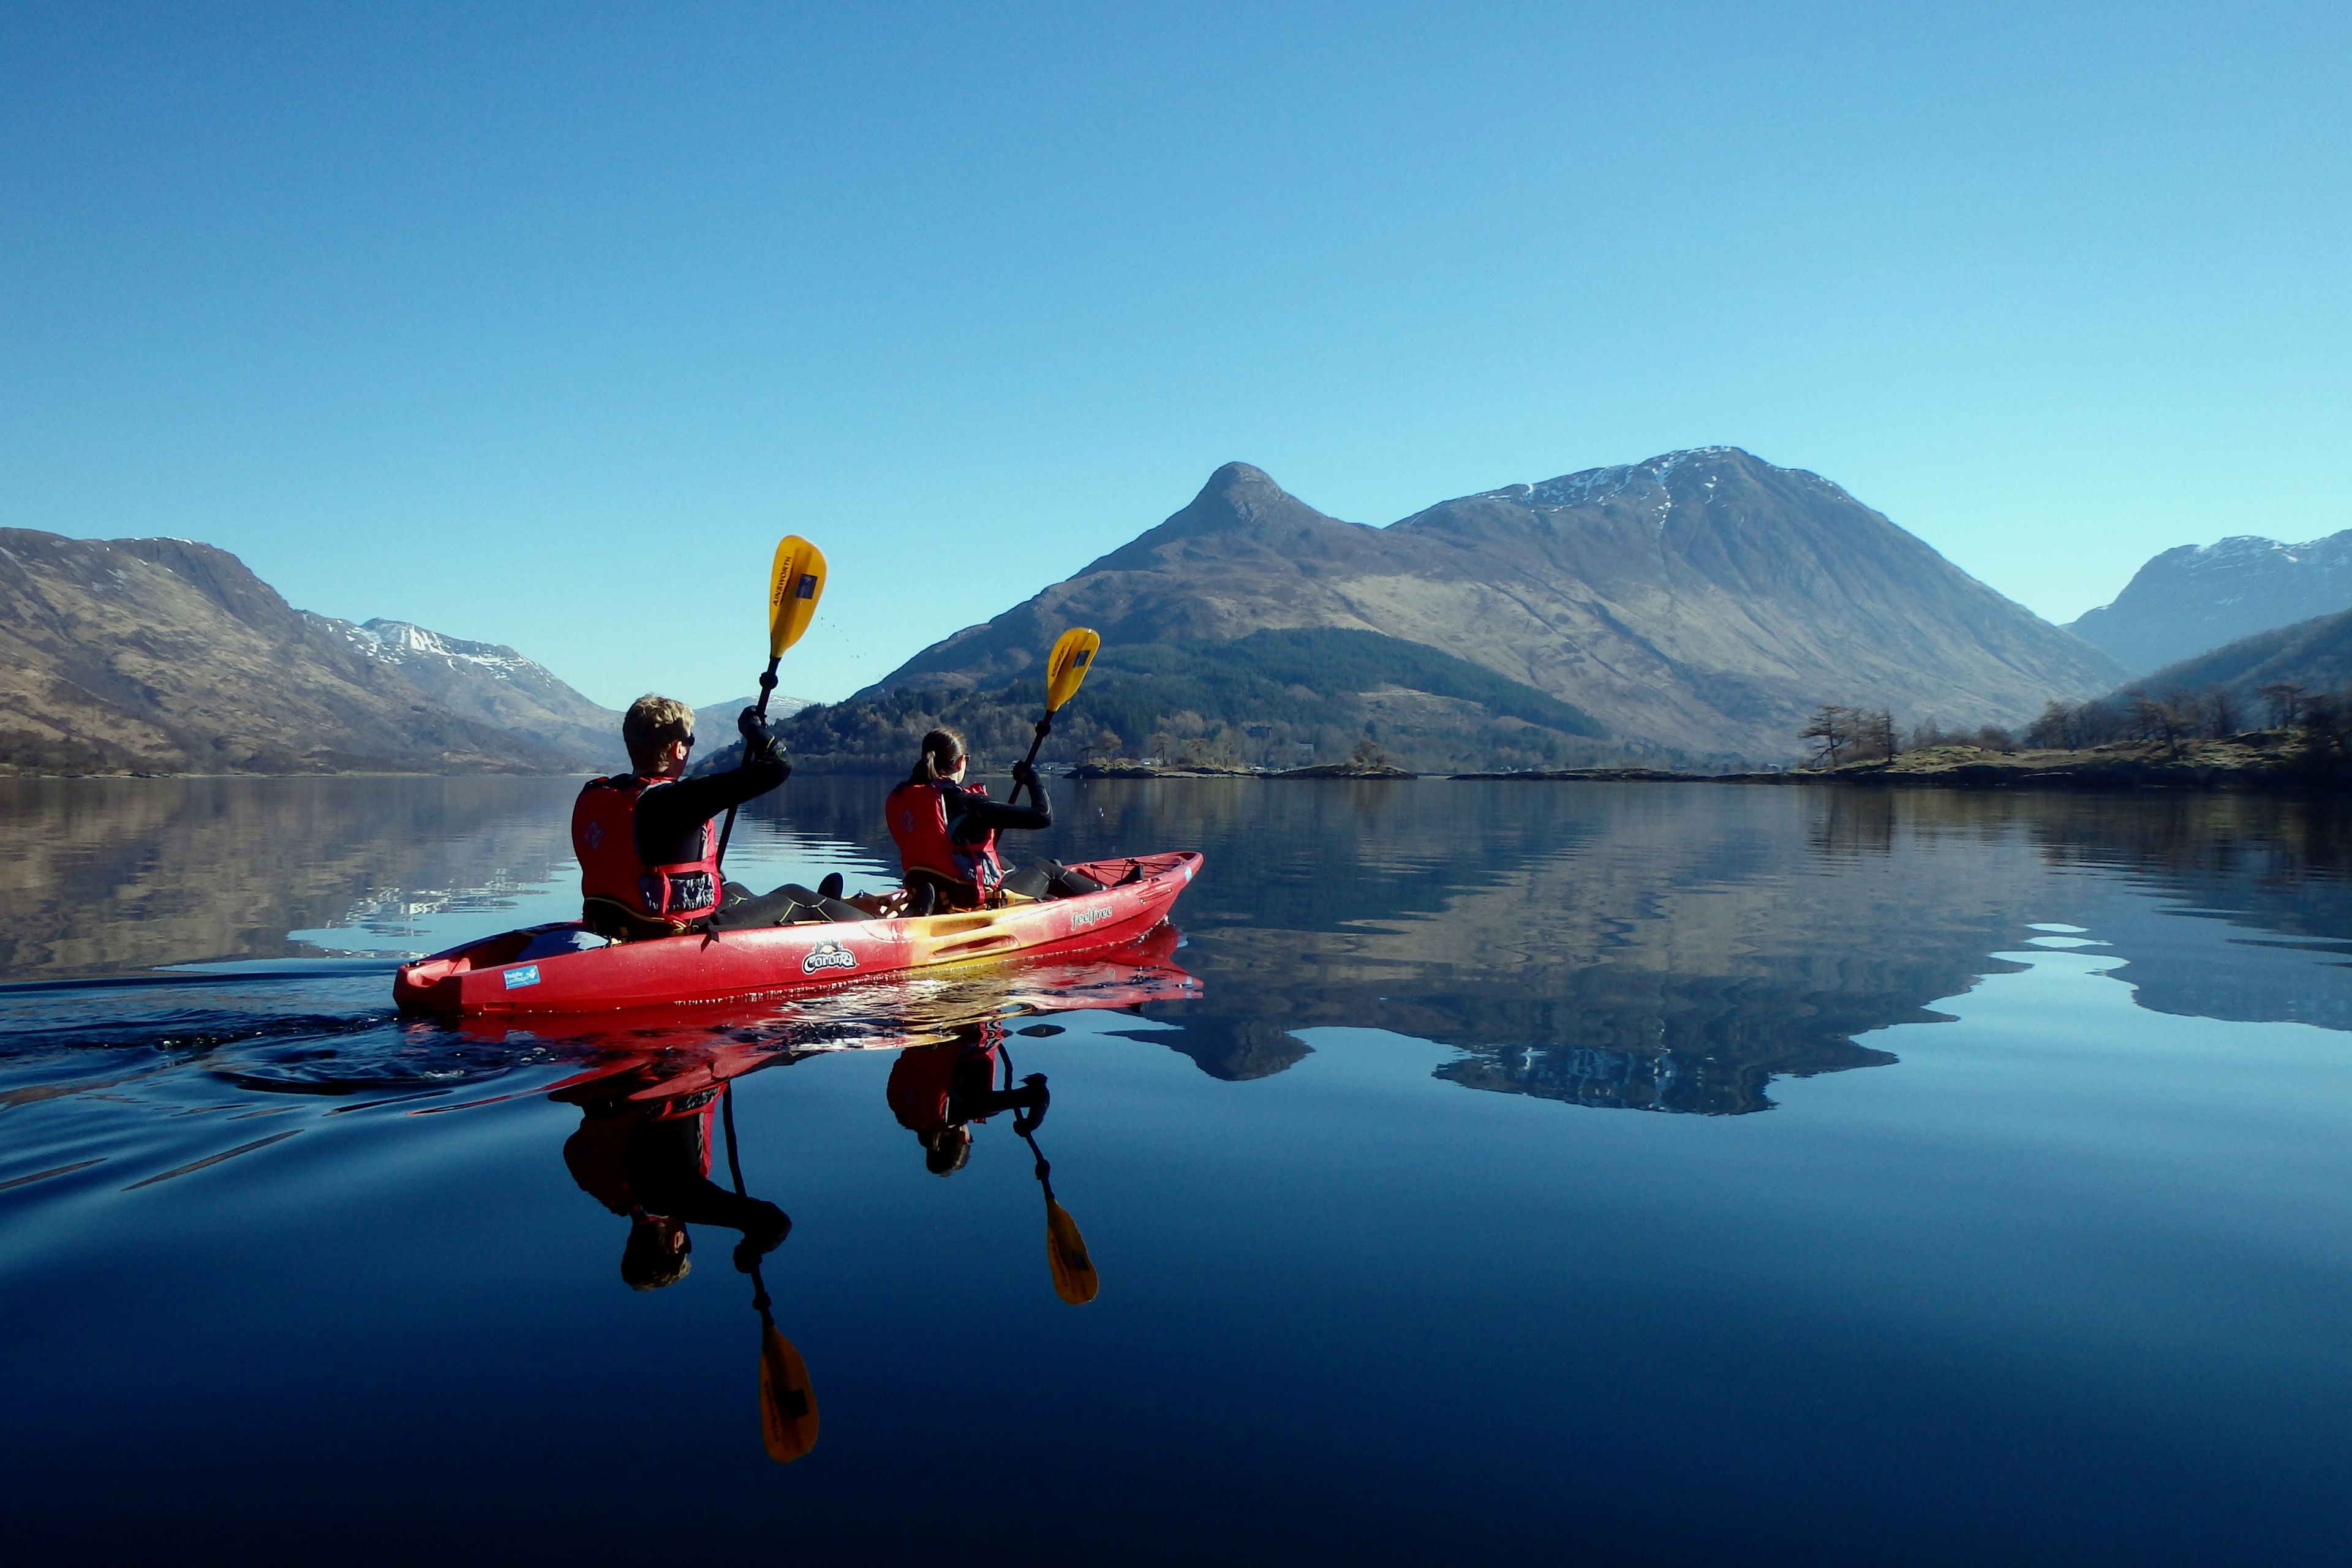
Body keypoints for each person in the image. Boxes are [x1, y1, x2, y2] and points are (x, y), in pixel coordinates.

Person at [571, 695, 854, 940]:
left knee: (734, 890)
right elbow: (778, 765)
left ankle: (826, 910)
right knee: (795, 896)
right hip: (674, 932)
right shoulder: (675, 798)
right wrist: (752, 729)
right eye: (689, 740)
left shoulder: (598, 792)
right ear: (677, 748)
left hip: (613, 920)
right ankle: (876, 928)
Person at [883, 726, 1103, 914]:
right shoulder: (970, 803)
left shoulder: (902, 795)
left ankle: (1046, 897)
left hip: (928, 890)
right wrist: (1034, 781)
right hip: (968, 901)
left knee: (1004, 863)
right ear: (961, 762)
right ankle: (1106, 894)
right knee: (1048, 869)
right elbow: (1043, 817)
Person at [884, 1020, 1049, 1176]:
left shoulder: (967, 1108)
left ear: (964, 1138)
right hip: (918, 1027)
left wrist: (1032, 1123)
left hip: (964, 1023)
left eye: (971, 1138)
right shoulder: (901, 1111)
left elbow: (1039, 1095)